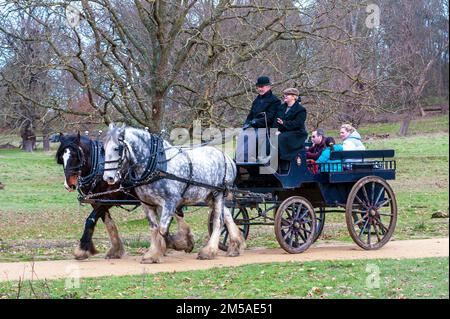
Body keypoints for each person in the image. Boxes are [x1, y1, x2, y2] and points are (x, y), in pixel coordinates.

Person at [273, 87, 308, 166]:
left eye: (287, 95)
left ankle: (283, 160)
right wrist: (275, 130)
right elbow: (276, 120)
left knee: (281, 138)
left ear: (294, 97)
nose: (285, 96)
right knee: (269, 136)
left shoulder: (301, 110)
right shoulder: (281, 107)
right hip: (283, 131)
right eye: (284, 94)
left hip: (297, 133)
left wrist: (284, 123)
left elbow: (298, 123)